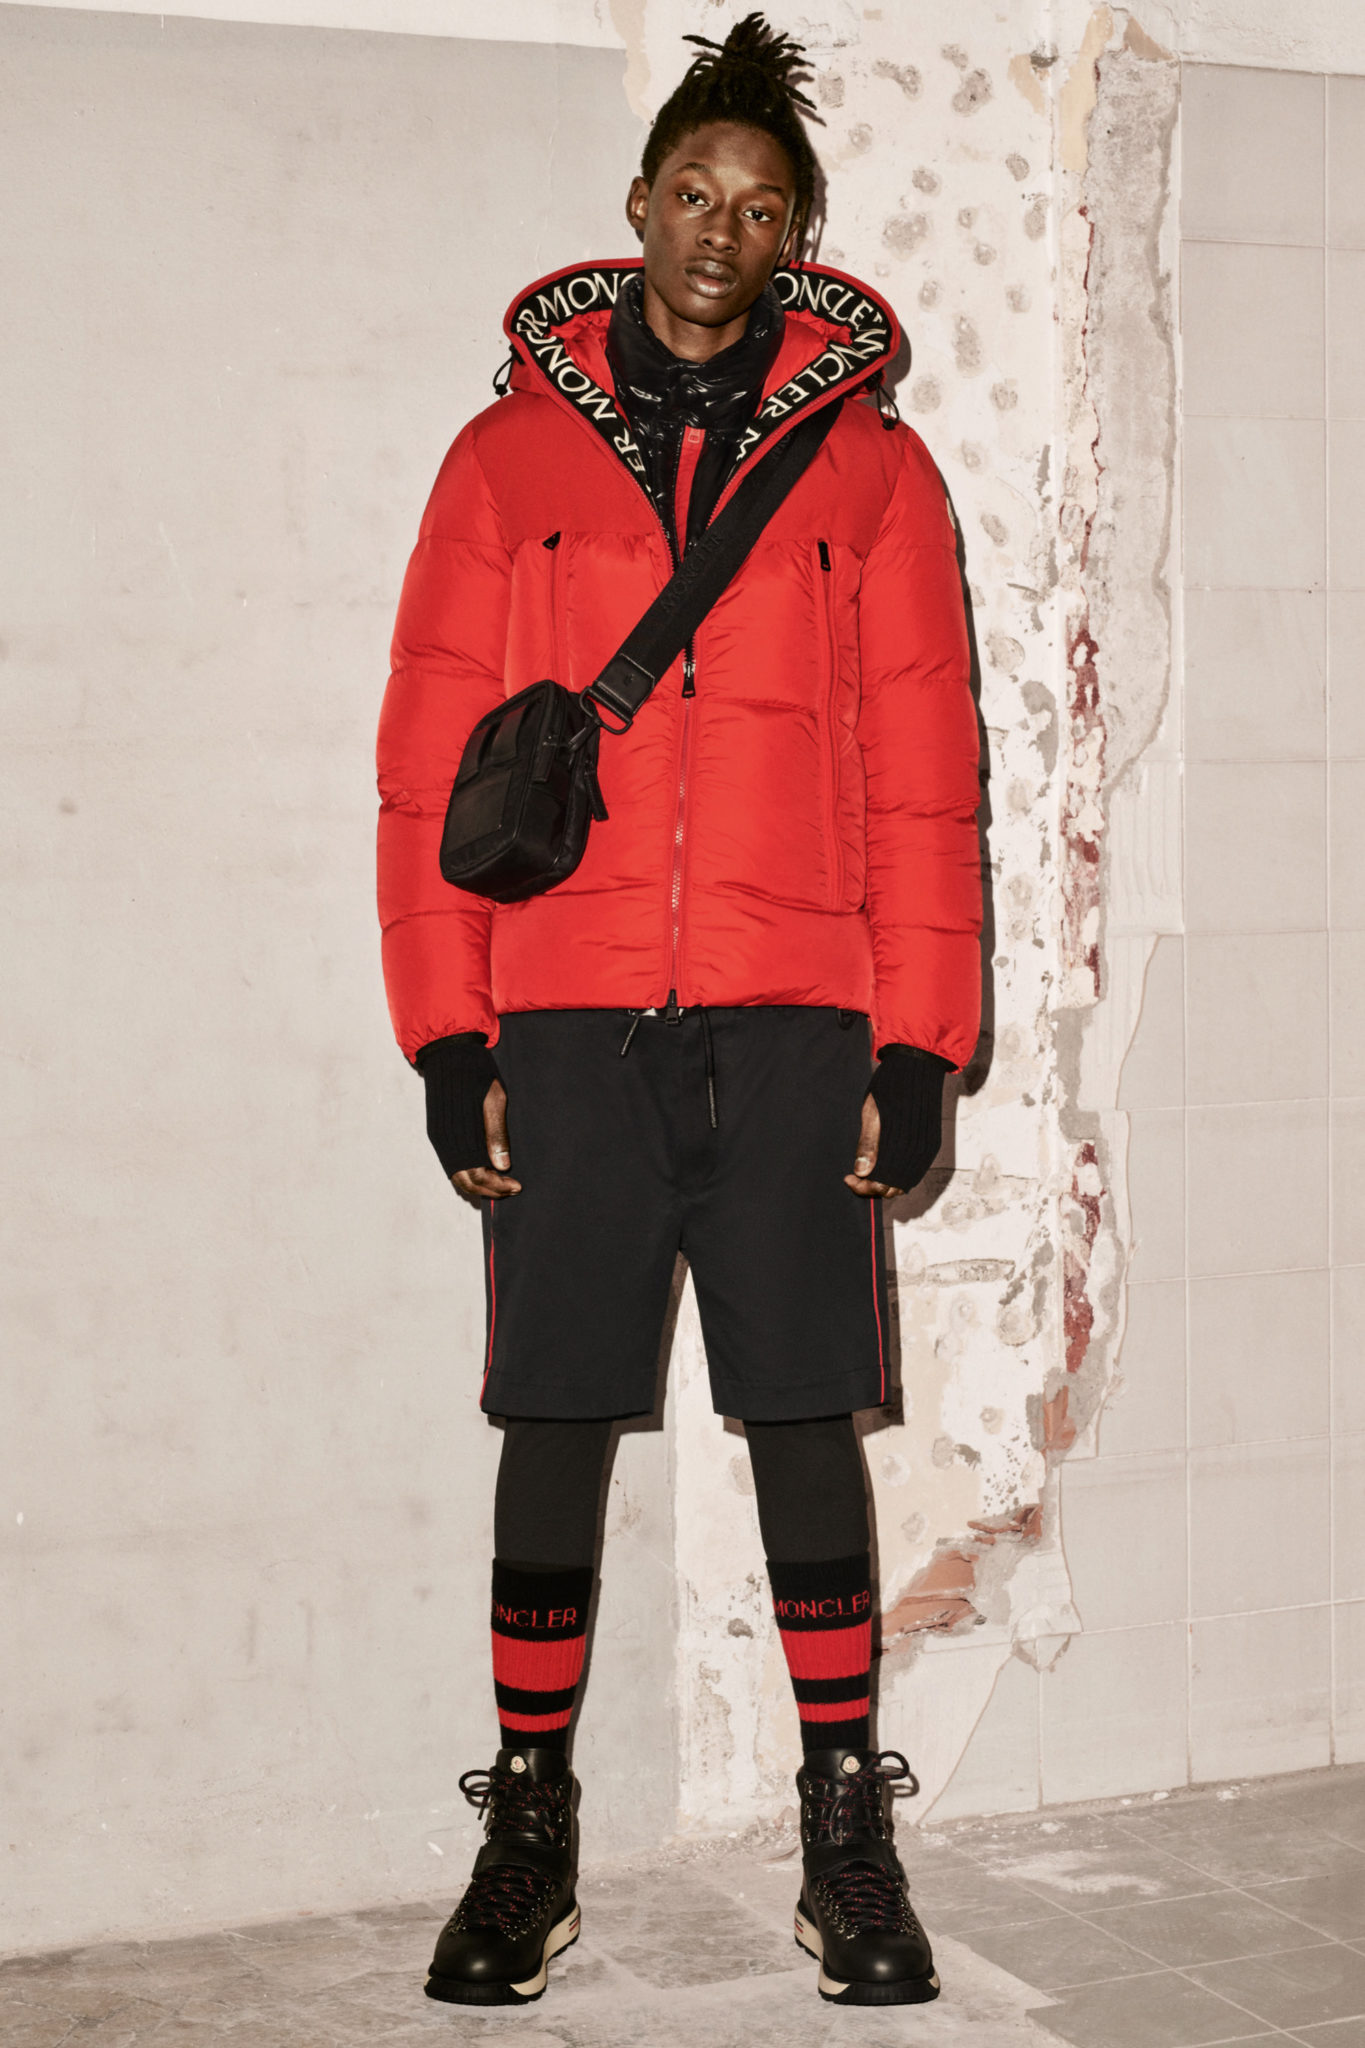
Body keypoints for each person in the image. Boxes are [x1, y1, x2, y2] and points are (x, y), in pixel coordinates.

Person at [376, 12, 981, 2011]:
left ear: (797, 238)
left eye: (762, 206)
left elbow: (925, 771)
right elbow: (426, 766)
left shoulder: (869, 473)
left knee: (801, 1419)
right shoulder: (504, 459)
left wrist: (919, 1039)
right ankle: (527, 1834)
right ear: (635, 206)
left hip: (796, 1018)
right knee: (551, 1419)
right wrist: (448, 1034)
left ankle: (841, 1835)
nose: (723, 231)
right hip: (563, 1017)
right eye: (695, 193)